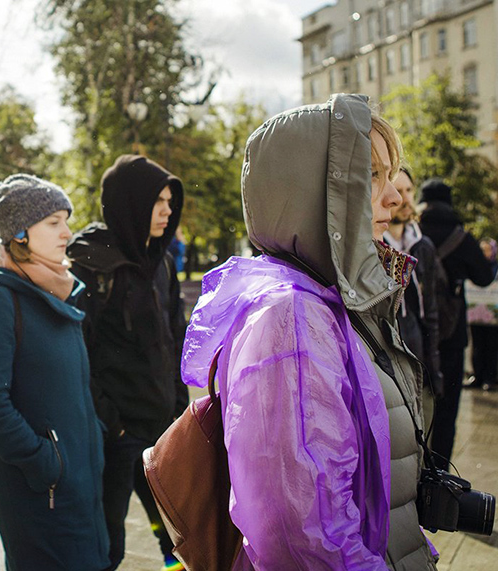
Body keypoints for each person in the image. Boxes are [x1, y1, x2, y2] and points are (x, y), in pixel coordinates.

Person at [181, 95, 436, 568]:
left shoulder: (336, 299)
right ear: (309, 189)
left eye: (390, 173)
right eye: (371, 174)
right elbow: (302, 538)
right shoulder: (291, 318)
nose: (396, 197)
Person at [0, 174, 110, 571]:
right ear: (20, 232)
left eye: (66, 220)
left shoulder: (56, 288)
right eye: (53, 222)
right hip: (40, 490)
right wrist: (46, 462)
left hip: (78, 481)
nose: (67, 232)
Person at [67, 154, 187, 571]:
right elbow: (78, 351)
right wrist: (112, 421)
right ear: (131, 203)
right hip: (117, 435)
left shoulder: (163, 263)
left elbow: (175, 339)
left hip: (161, 429)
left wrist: (177, 405)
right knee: (107, 547)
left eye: (171, 201)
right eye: (158, 201)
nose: (167, 211)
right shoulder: (92, 264)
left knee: (177, 539)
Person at [418, 179, 496, 468]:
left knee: (414, 407)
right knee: (447, 411)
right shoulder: (460, 237)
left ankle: (415, 472)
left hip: (416, 335)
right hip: (451, 338)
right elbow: (484, 278)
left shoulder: (413, 233)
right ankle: (441, 476)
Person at [384, 167, 444, 423]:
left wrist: (434, 369)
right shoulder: (371, 248)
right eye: (398, 190)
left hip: (421, 368)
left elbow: (431, 312)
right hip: (388, 374)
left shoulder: (423, 246)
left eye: (409, 190)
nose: (406, 199)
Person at [468, 238, 498, 391]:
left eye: (488, 249)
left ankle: (490, 377)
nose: (485, 253)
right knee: (477, 345)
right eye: (483, 250)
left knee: (492, 346)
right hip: (476, 315)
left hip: (493, 317)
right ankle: (477, 375)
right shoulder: (475, 266)